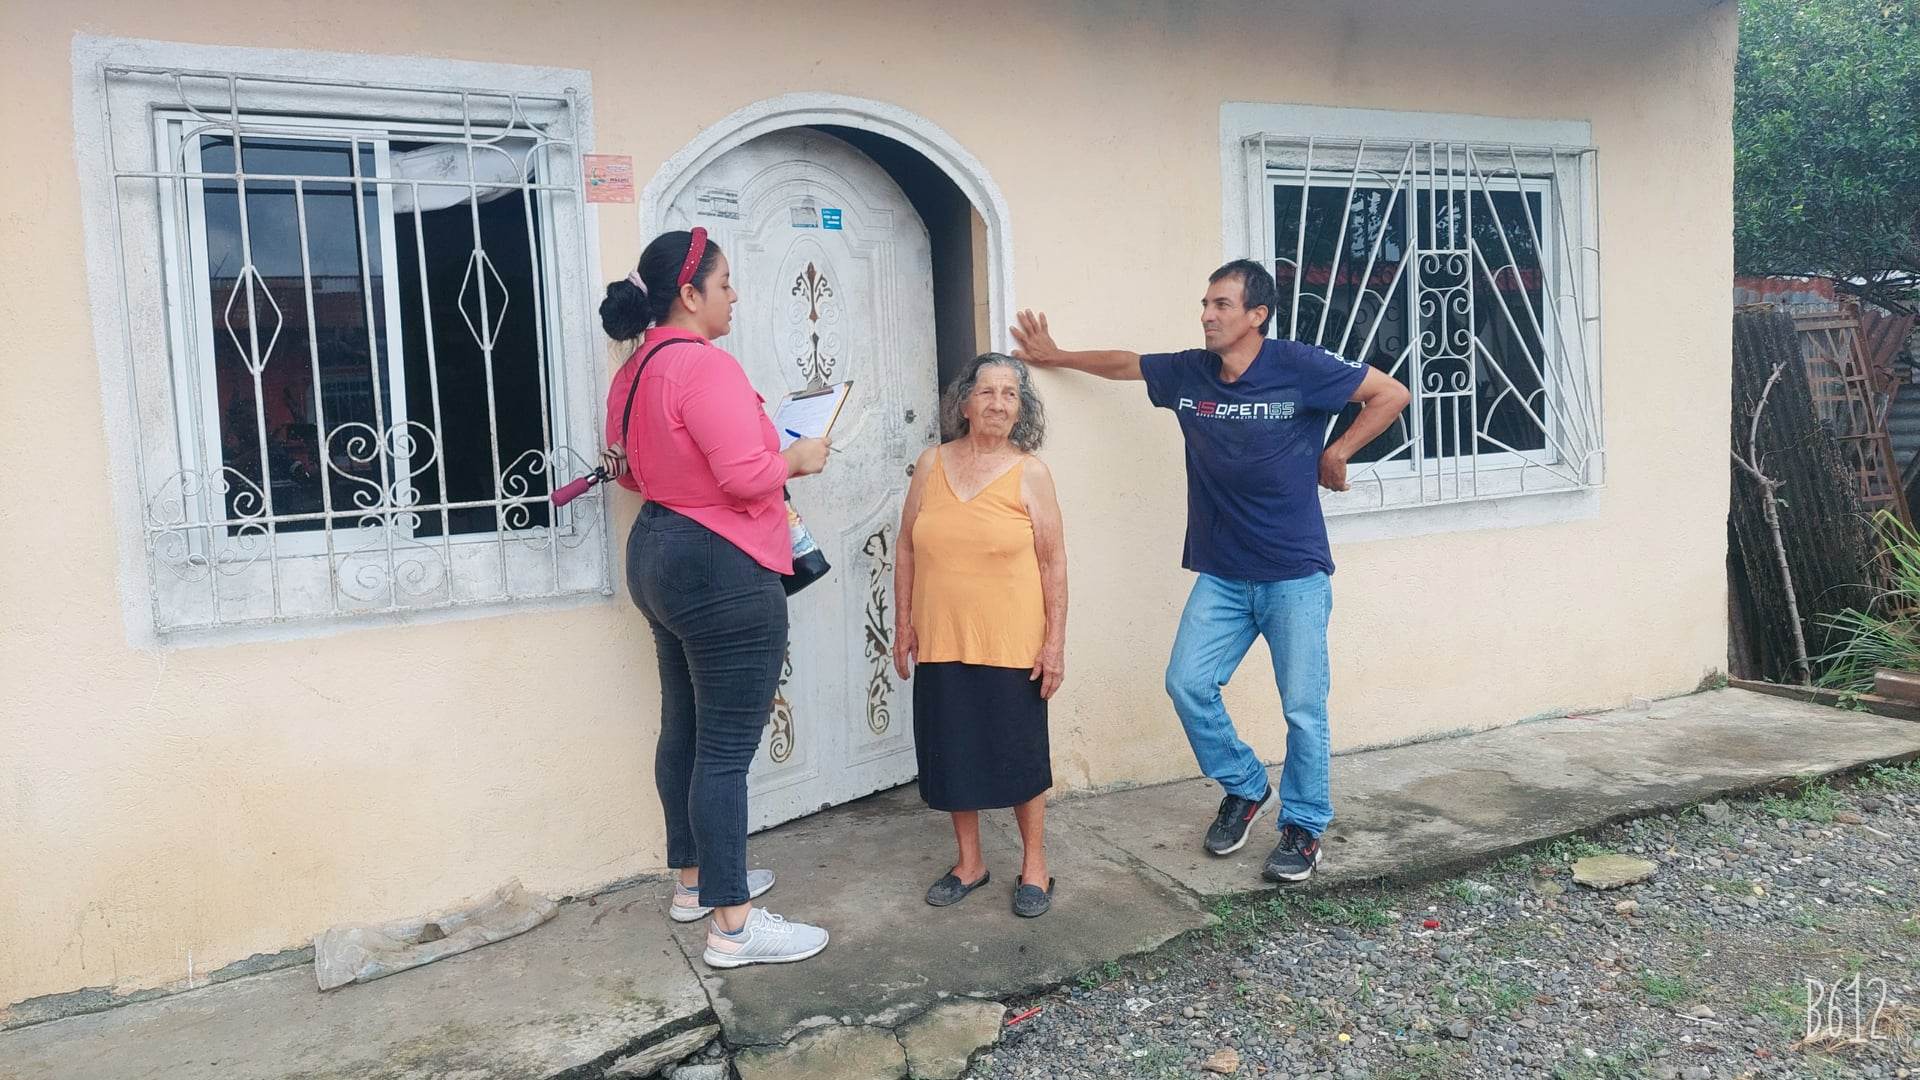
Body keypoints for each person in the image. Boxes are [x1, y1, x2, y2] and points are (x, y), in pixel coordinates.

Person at [1009, 260, 1408, 884]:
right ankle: (1246, 786)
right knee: (1187, 683)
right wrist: (1055, 356)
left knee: (1303, 708)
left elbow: (1391, 393)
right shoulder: (1192, 373)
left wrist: (1338, 451)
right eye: (1205, 304)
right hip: (1223, 572)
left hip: (1293, 573)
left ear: (1257, 315)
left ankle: (1304, 827)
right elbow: (1125, 363)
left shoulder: (1299, 366)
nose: (1207, 315)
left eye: (1222, 305)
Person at [600, 227, 834, 967]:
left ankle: (696, 882)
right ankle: (734, 925)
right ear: (689, 293)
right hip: (720, 562)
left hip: (656, 551)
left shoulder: (634, 369)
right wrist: (798, 456)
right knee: (726, 751)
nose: (734, 295)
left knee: (687, 728)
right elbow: (743, 475)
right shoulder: (704, 366)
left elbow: (628, 472)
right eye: (725, 283)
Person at [892, 353, 1067, 917]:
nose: (998, 403)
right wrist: (903, 622)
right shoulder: (931, 464)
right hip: (941, 636)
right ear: (964, 403)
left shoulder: (1031, 473)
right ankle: (970, 863)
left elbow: (1053, 563)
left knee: (1020, 756)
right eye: (987, 392)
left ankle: (1035, 866)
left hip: (1012, 643)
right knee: (953, 753)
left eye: (1010, 394)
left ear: (1021, 409)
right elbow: (906, 548)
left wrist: (1054, 645)